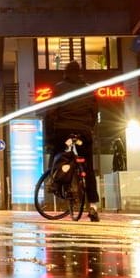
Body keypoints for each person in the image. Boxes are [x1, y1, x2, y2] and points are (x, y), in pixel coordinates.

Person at [43, 61, 100, 221]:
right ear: (80, 72)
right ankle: (93, 205)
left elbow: (50, 113)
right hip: (83, 133)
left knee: (56, 153)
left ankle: (53, 182)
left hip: (64, 131)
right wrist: (89, 129)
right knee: (88, 168)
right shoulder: (89, 89)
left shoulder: (59, 88)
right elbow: (95, 113)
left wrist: (49, 137)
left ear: (65, 73)